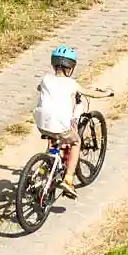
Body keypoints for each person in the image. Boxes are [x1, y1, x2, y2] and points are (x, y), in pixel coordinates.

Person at [34, 44, 85, 195]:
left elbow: (39, 88)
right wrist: (107, 93)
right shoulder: (71, 84)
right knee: (76, 141)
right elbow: (90, 93)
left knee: (53, 135)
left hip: (41, 124)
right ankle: (68, 179)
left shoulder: (45, 79)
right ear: (71, 67)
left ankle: (48, 162)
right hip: (59, 127)